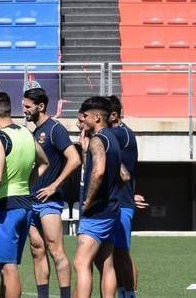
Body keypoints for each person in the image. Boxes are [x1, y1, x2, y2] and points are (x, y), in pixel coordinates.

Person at [0, 92, 49, 298]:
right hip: (25, 205)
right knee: (8, 264)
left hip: (5, 207)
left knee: (8, 268)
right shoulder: (26, 133)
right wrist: (27, 184)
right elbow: (44, 163)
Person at [23, 87, 80, 298]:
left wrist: (55, 185)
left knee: (56, 251)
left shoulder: (55, 129)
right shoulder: (33, 132)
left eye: (28, 107)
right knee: (37, 250)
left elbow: (75, 159)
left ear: (41, 106)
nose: (25, 110)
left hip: (49, 202)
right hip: (31, 201)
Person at [74, 97, 122, 298]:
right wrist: (86, 153)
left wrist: (89, 200)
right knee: (105, 262)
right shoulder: (112, 138)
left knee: (81, 263)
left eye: (84, 116)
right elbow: (124, 174)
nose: (81, 120)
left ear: (96, 117)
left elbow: (98, 172)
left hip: (97, 212)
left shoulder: (98, 140)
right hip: (112, 210)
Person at [107, 96, 141, 298]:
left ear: (113, 115)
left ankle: (129, 294)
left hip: (121, 203)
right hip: (119, 200)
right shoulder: (122, 133)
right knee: (117, 253)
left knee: (121, 253)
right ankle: (124, 292)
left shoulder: (119, 134)